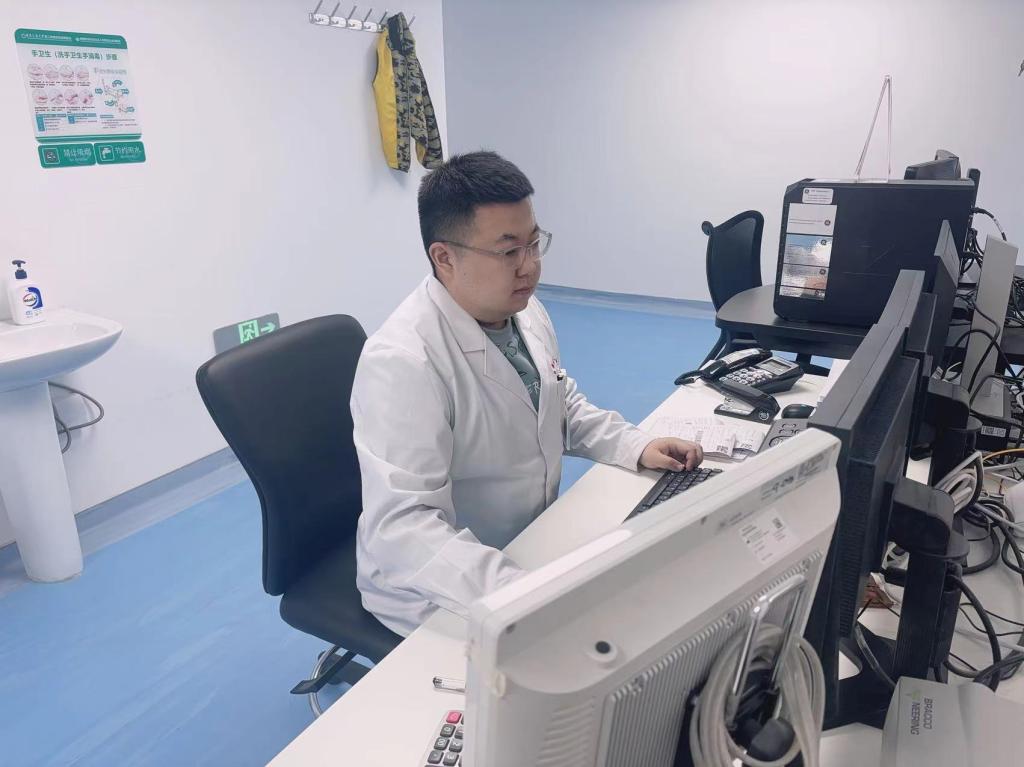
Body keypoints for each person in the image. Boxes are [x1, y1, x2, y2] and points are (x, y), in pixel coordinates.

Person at [351, 151, 703, 637]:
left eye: (535, 244)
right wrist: (522, 591)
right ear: (444, 257)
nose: (530, 267)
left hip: (526, 543)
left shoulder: (522, 310)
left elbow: (558, 402)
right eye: (508, 251)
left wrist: (635, 444)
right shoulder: (404, 362)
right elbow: (404, 531)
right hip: (439, 586)